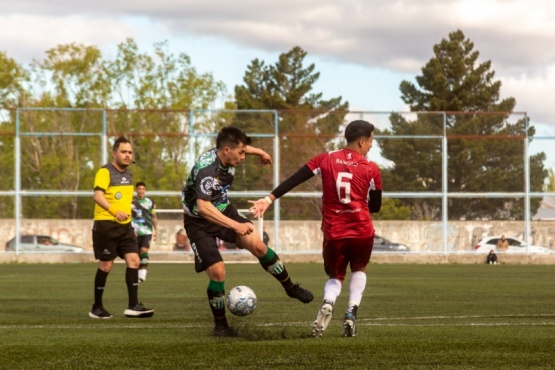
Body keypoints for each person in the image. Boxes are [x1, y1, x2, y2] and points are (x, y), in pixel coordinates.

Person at [249, 120, 382, 338]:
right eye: (371, 141)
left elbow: (295, 179)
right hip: (362, 230)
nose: (371, 146)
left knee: (335, 275)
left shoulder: (325, 158)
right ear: (361, 141)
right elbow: (375, 207)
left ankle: (328, 302)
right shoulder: (372, 169)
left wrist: (268, 199)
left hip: (334, 232)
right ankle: (351, 312)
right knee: (359, 269)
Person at [181, 126, 314, 336]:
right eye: (241, 153)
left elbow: (242, 148)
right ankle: (221, 326)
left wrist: (260, 152)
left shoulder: (227, 153)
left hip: (224, 209)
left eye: (244, 151)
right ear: (227, 150)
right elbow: (205, 208)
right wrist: (236, 226)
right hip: (199, 220)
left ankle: (290, 287)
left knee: (258, 245)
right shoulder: (208, 170)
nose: (243, 156)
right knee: (217, 272)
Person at [89, 136, 154, 319]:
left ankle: (133, 306)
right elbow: (97, 196)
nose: (127, 155)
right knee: (106, 265)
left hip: (125, 227)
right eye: (123, 152)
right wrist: (114, 211)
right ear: (114, 153)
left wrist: (130, 222)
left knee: (134, 260)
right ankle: (97, 307)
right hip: (106, 226)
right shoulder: (105, 172)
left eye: (130, 152)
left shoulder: (129, 174)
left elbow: (125, 202)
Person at [131, 181, 158, 282]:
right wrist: (131, 229)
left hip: (147, 231)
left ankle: (143, 274)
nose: (141, 191)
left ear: (145, 190)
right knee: (136, 255)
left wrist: (156, 231)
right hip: (135, 232)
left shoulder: (150, 202)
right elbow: (129, 218)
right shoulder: (131, 203)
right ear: (136, 190)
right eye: (139, 189)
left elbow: (154, 216)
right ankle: (138, 274)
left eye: (143, 189)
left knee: (144, 250)